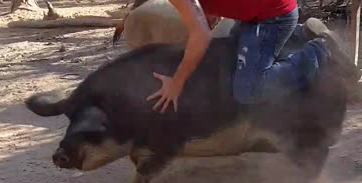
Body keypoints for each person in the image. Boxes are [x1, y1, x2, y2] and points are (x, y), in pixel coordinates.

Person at [146, 0, 349, 113]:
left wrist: (177, 82)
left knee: (249, 90)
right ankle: (301, 34)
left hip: (272, 17)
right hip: (260, 12)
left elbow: (201, 36)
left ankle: (319, 51)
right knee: (230, 54)